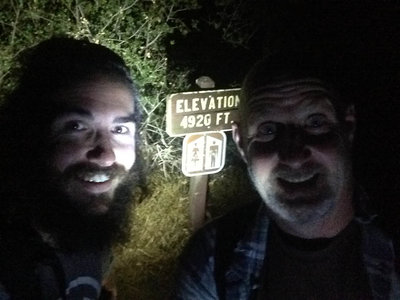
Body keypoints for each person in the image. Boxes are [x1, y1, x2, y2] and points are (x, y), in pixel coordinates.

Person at [175, 52, 400, 299]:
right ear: (240, 143)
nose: (293, 156)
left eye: (315, 123)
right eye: (268, 130)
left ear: (348, 127)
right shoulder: (210, 259)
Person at [0, 37, 142, 299]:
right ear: (29, 134)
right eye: (76, 126)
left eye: (120, 129)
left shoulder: (85, 229)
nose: (106, 155)